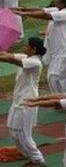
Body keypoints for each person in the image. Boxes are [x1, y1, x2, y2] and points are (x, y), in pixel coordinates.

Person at [12, 0, 66, 93]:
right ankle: (61, 101)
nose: (55, 0)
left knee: (61, 79)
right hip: (56, 53)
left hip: (65, 53)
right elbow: (41, 9)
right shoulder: (57, 9)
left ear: (63, 3)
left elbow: (45, 15)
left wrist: (25, 14)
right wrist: (23, 8)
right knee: (52, 78)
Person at [0, 37, 46, 165]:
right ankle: (30, 157)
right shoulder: (26, 57)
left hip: (28, 102)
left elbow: (10, 59)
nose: (24, 47)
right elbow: (7, 55)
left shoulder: (36, 62)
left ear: (34, 49)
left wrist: (5, 57)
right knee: (13, 131)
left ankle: (38, 160)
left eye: (27, 46)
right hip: (18, 101)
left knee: (25, 135)